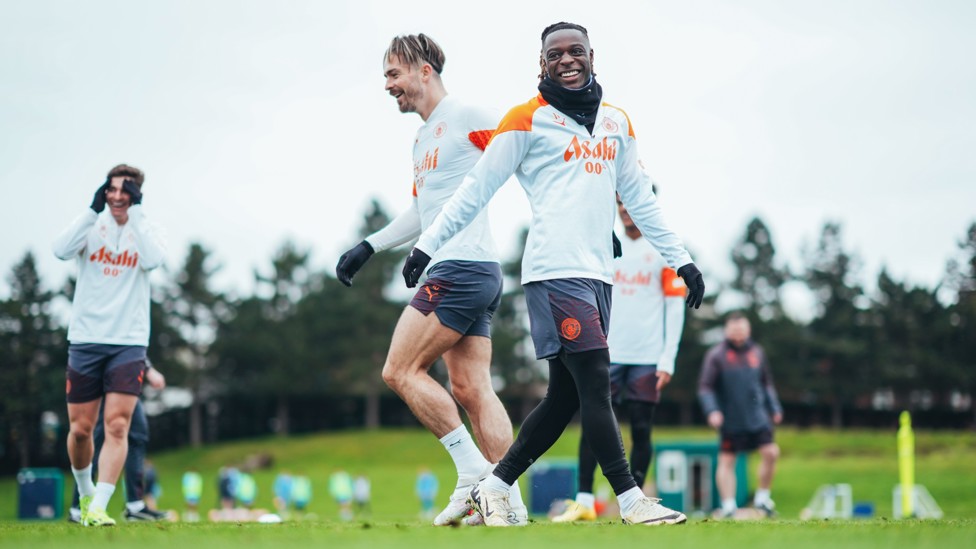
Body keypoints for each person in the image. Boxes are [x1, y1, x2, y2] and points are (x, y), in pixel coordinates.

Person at [401, 22, 705, 527]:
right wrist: (426, 246)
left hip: (598, 277)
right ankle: (631, 500)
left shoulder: (616, 123)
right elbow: (476, 189)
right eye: (555, 53)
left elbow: (640, 200)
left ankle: (493, 485)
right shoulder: (525, 119)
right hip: (552, 272)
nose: (567, 59)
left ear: (591, 56)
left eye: (576, 51)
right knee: (596, 379)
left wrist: (681, 259)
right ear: (541, 64)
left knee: (565, 396)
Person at [334, 33, 526, 525]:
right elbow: (424, 209)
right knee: (471, 388)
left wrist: (576, 214)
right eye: (385, 77)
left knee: (399, 370)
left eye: (393, 74)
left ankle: (470, 474)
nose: (388, 86)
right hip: (475, 270)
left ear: (424, 70)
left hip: (461, 267)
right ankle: (510, 504)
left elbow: (522, 151)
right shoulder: (421, 137)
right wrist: (370, 245)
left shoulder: (464, 114)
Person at [553, 192, 687, 522]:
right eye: (621, 205)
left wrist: (667, 359)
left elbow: (675, 306)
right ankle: (584, 500)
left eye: (632, 204)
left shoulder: (664, 249)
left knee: (641, 428)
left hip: (647, 357)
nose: (626, 211)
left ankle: (636, 503)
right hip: (606, 353)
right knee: (593, 425)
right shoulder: (604, 244)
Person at [53, 164, 166, 526]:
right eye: (112, 189)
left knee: (118, 426)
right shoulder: (92, 226)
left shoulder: (144, 230)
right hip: (86, 339)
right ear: (104, 191)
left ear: (136, 195)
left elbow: (154, 259)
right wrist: (91, 211)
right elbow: (60, 250)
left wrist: (138, 214)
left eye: (126, 191)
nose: (118, 196)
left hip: (128, 342)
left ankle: (100, 507)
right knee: (81, 430)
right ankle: (86, 495)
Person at [698, 312, 783, 518]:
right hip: (731, 418)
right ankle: (728, 506)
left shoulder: (757, 352)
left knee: (771, 453)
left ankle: (762, 498)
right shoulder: (716, 355)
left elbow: (766, 383)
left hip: (757, 416)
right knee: (727, 461)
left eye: (742, 328)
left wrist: (775, 408)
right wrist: (712, 411)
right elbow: (705, 387)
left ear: (748, 330)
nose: (738, 332)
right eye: (734, 329)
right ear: (727, 330)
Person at [68, 362, 168, 522]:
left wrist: (146, 368)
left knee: (137, 436)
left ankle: (135, 504)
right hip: (106, 380)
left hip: (124, 379)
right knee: (94, 443)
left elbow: (132, 341)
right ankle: (78, 507)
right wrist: (149, 369)